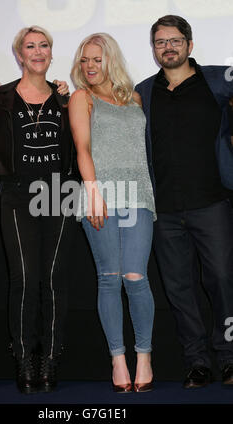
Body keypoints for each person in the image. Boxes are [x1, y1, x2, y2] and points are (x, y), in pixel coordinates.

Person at [135, 14, 233, 388]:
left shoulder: (217, 80)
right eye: (160, 42)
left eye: (175, 40)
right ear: (154, 49)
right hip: (164, 211)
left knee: (223, 281)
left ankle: (228, 357)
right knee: (179, 289)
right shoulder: (143, 91)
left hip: (212, 203)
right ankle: (197, 362)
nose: (168, 47)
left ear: (189, 45)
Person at [0, 25, 80, 394]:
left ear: (51, 54)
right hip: (16, 194)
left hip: (60, 192)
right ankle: (25, 359)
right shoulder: (0, 98)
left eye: (44, 45)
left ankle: (51, 359)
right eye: (30, 46)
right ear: (19, 54)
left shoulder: (65, 99)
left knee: (55, 279)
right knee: (24, 280)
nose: (38, 51)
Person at [69, 33, 156, 393]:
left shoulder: (133, 98)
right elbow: (82, 148)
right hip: (101, 195)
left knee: (136, 277)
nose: (89, 66)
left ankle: (145, 356)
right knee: (110, 277)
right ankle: (118, 359)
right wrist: (92, 193)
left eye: (97, 59)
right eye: (84, 60)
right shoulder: (81, 98)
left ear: (110, 60)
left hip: (139, 195)